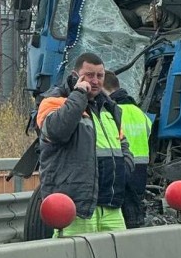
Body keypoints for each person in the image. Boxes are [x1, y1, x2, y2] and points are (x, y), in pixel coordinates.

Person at [36, 53, 134, 236]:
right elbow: (57, 131)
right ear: (75, 75)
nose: (96, 81)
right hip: (75, 207)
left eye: (100, 75)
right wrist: (79, 93)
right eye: (89, 75)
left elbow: (123, 147)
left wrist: (123, 170)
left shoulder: (109, 108)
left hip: (111, 205)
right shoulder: (54, 102)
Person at [103, 71, 152, 229]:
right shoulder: (140, 113)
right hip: (140, 174)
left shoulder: (110, 112)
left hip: (120, 172)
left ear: (106, 89)